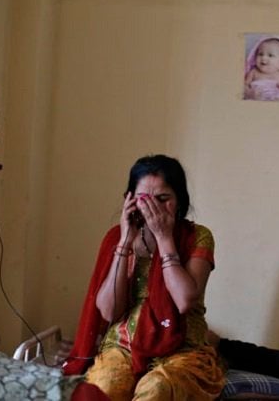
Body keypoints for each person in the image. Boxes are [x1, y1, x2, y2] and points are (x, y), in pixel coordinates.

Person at [63, 154, 225, 401]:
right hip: (122, 347)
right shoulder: (117, 238)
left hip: (181, 349)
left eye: (163, 199)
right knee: (104, 387)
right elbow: (108, 312)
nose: (153, 209)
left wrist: (164, 238)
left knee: (157, 388)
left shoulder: (197, 236)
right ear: (129, 201)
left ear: (179, 201)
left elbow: (184, 300)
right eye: (144, 200)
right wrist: (125, 242)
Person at [244, 36, 279, 101]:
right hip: (258, 100)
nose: (264, 58)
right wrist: (249, 93)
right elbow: (244, 85)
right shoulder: (254, 72)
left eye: (270, 55)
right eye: (260, 54)